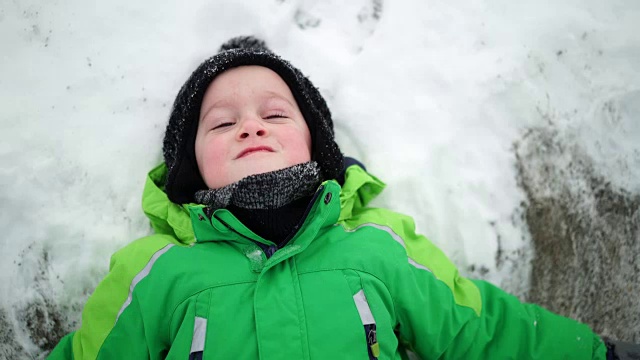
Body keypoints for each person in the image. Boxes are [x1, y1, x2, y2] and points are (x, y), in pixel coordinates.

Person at [48, 36, 637, 359]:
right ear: (189, 165)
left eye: (275, 114)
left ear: (317, 145)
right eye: (222, 124)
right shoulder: (156, 272)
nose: (251, 127)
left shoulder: (376, 247)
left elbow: (478, 333)